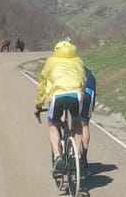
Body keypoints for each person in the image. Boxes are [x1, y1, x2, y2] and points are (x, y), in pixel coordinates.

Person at [33, 38, 86, 179]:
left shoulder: (51, 61)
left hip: (57, 96)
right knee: (77, 122)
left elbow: (42, 83)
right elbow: (83, 80)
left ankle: (57, 156)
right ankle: (77, 156)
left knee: (53, 124)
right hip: (76, 94)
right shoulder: (78, 60)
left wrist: (39, 103)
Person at [80, 60, 96, 172]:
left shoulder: (64, 68)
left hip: (76, 89)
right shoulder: (85, 68)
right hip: (89, 89)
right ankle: (83, 157)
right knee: (84, 123)